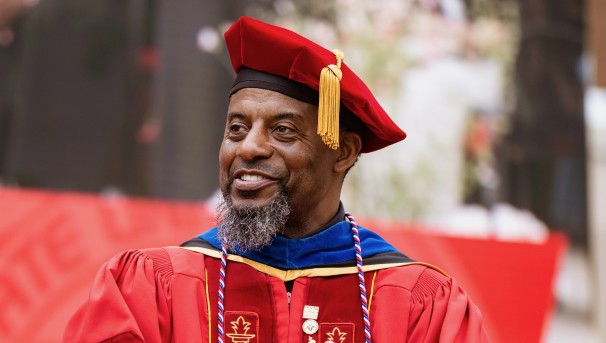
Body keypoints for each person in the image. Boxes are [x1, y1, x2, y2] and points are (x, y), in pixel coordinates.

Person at [64, 16, 489, 343]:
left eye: (283, 130)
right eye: (236, 129)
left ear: (342, 152)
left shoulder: (417, 302)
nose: (248, 148)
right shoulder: (156, 289)